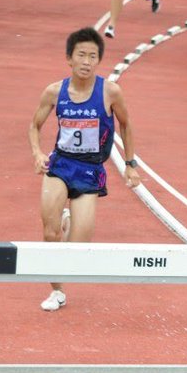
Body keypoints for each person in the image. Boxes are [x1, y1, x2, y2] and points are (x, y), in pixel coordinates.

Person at [28, 27, 141, 312]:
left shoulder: (110, 91)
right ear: (69, 58)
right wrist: (37, 152)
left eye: (93, 56)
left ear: (98, 61)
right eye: (81, 55)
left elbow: (126, 125)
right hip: (61, 164)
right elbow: (34, 125)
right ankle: (57, 291)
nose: (87, 61)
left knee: (78, 246)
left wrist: (130, 165)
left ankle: (69, 226)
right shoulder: (55, 91)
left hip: (90, 170)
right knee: (49, 233)